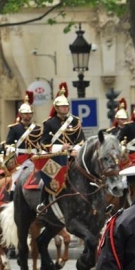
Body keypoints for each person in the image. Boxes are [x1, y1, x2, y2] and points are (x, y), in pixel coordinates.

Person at [37, 82, 85, 212]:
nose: (65, 108)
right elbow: (44, 143)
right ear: (56, 108)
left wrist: (75, 150)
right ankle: (43, 203)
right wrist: (60, 148)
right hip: (56, 158)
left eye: (66, 106)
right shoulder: (49, 123)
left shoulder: (75, 121)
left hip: (73, 156)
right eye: (62, 107)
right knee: (44, 180)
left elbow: (81, 140)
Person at [4, 90, 42, 199]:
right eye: (25, 114)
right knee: (15, 179)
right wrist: (11, 149)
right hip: (21, 158)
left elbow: (41, 143)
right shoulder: (14, 128)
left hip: (34, 157)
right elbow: (8, 143)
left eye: (30, 113)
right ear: (21, 114)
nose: (28, 116)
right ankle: (11, 198)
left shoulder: (37, 128)